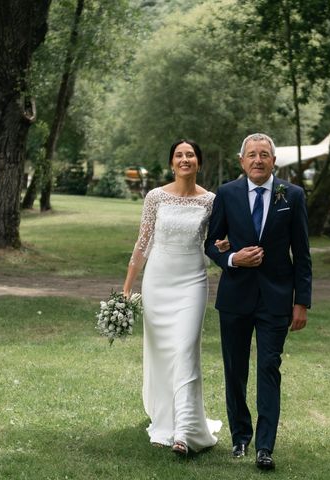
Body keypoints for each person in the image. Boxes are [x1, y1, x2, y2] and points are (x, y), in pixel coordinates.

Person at [204, 133, 312, 471]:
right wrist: (234, 258)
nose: (258, 160)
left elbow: (303, 254)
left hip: (276, 300)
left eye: (264, 154)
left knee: (269, 368)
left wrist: (301, 302)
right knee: (235, 370)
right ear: (242, 161)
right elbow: (211, 242)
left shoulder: (291, 195)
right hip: (235, 296)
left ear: (274, 161)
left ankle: (265, 447)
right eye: (251, 154)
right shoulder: (227, 193)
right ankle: (240, 437)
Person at [123, 139, 226, 457]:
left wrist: (224, 247)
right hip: (158, 281)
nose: (185, 159)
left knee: (185, 350)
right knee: (162, 353)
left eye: (190, 155)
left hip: (193, 282)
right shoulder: (155, 197)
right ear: (171, 163)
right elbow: (143, 243)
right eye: (179, 155)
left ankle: (185, 431)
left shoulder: (210, 201)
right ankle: (165, 419)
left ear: (198, 162)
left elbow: (214, 241)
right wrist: (127, 288)